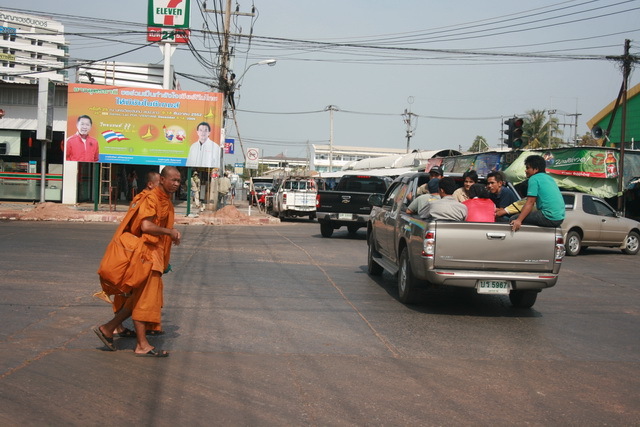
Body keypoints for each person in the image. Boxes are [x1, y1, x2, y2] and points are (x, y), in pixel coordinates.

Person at [93, 166, 182, 357]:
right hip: (146, 256)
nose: (176, 184)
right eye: (173, 180)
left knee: (135, 300)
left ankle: (108, 329)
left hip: (153, 255)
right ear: (162, 180)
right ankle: (142, 345)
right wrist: (170, 232)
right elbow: (146, 226)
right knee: (144, 300)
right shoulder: (151, 198)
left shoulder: (164, 200)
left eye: (178, 181)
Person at [510, 155, 565, 231]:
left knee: (514, 218)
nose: (525, 170)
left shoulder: (534, 179)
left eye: (527, 168)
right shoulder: (549, 178)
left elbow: (530, 202)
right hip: (559, 218)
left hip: (548, 217)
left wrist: (519, 220)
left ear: (535, 169)